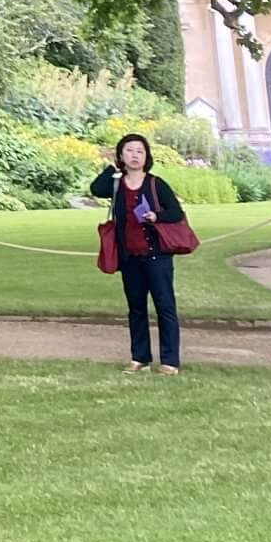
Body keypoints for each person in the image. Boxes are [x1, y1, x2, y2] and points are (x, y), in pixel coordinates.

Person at [89, 133, 188, 376]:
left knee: (165, 307)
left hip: (157, 257)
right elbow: (95, 188)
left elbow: (176, 212)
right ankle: (139, 357)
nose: (135, 155)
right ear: (122, 155)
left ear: (147, 156)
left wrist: (157, 216)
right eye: (130, 151)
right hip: (130, 257)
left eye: (140, 151)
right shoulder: (116, 185)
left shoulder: (156, 184)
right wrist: (111, 167)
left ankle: (169, 361)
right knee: (136, 309)